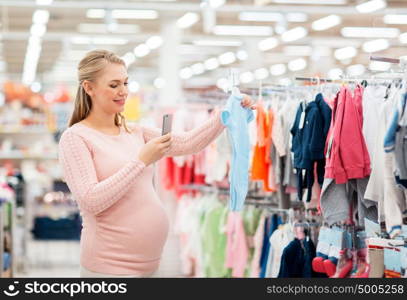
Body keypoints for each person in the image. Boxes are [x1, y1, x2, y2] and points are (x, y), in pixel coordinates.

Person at [58, 49, 256, 278]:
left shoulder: (134, 131)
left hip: (149, 265)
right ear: (88, 88)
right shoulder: (75, 138)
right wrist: (142, 160)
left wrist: (226, 114)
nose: (123, 91)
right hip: (109, 267)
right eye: (113, 85)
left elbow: (187, 143)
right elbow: (91, 200)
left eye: (125, 83)